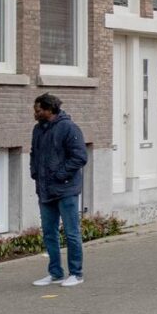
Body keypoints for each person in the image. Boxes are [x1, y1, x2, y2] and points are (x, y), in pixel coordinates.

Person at [28, 92, 90, 287]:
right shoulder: (38, 129)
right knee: (49, 233)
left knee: (71, 233)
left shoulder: (69, 128)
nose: (35, 114)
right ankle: (55, 273)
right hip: (45, 190)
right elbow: (34, 153)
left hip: (66, 190)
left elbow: (80, 157)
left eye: (38, 110)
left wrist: (60, 175)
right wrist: (35, 173)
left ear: (49, 109)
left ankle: (76, 274)